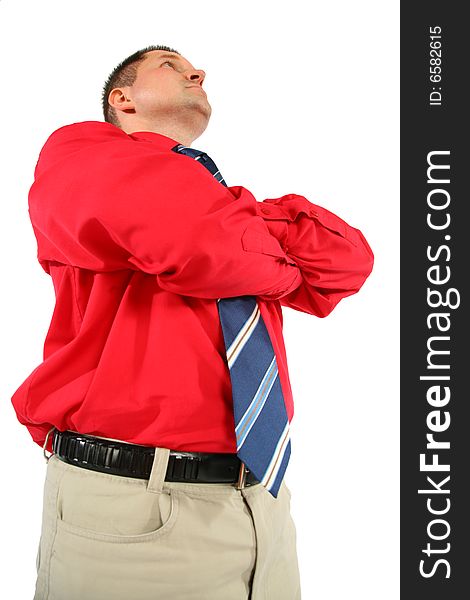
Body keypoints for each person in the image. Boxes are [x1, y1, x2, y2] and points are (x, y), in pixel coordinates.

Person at [11, 44, 374, 600]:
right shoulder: (78, 155)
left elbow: (346, 262)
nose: (197, 72)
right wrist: (272, 262)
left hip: (259, 503)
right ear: (122, 98)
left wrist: (238, 217)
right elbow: (200, 248)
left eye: (194, 68)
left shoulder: (208, 199)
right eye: (170, 65)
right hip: (133, 506)